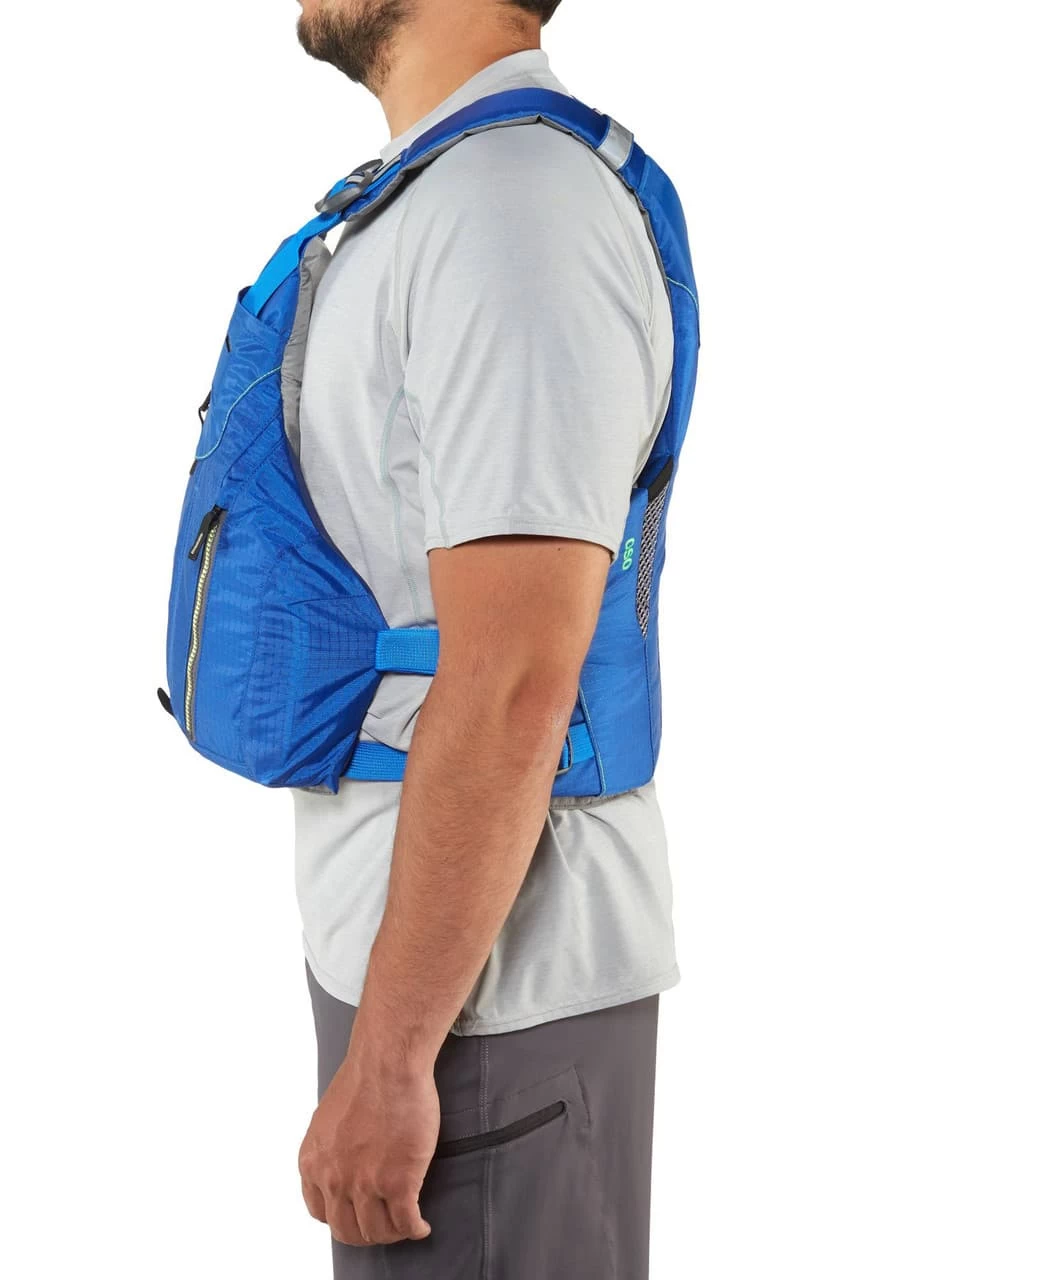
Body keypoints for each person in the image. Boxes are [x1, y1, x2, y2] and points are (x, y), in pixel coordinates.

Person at [289, 2, 682, 1276]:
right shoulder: (445, 194)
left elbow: (517, 674)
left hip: (490, 1002)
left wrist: (392, 1058)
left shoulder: (514, 208)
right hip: (433, 968)